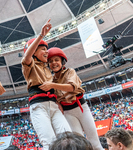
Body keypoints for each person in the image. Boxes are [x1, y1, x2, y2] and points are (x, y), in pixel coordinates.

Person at [39, 47, 103, 150]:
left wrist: (52, 85)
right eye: (50, 61)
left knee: (95, 143)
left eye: (56, 60)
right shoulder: (50, 80)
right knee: (79, 146)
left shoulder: (70, 72)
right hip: (67, 113)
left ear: (62, 62)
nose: (54, 63)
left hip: (81, 108)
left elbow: (72, 87)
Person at [22, 20, 71, 150]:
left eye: (46, 49)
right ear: (33, 52)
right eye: (43, 49)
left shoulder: (48, 69)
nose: (47, 52)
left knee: (68, 139)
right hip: (39, 106)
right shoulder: (29, 66)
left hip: (54, 105)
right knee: (49, 144)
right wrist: (41, 36)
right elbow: (27, 57)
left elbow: (53, 89)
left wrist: (58, 102)